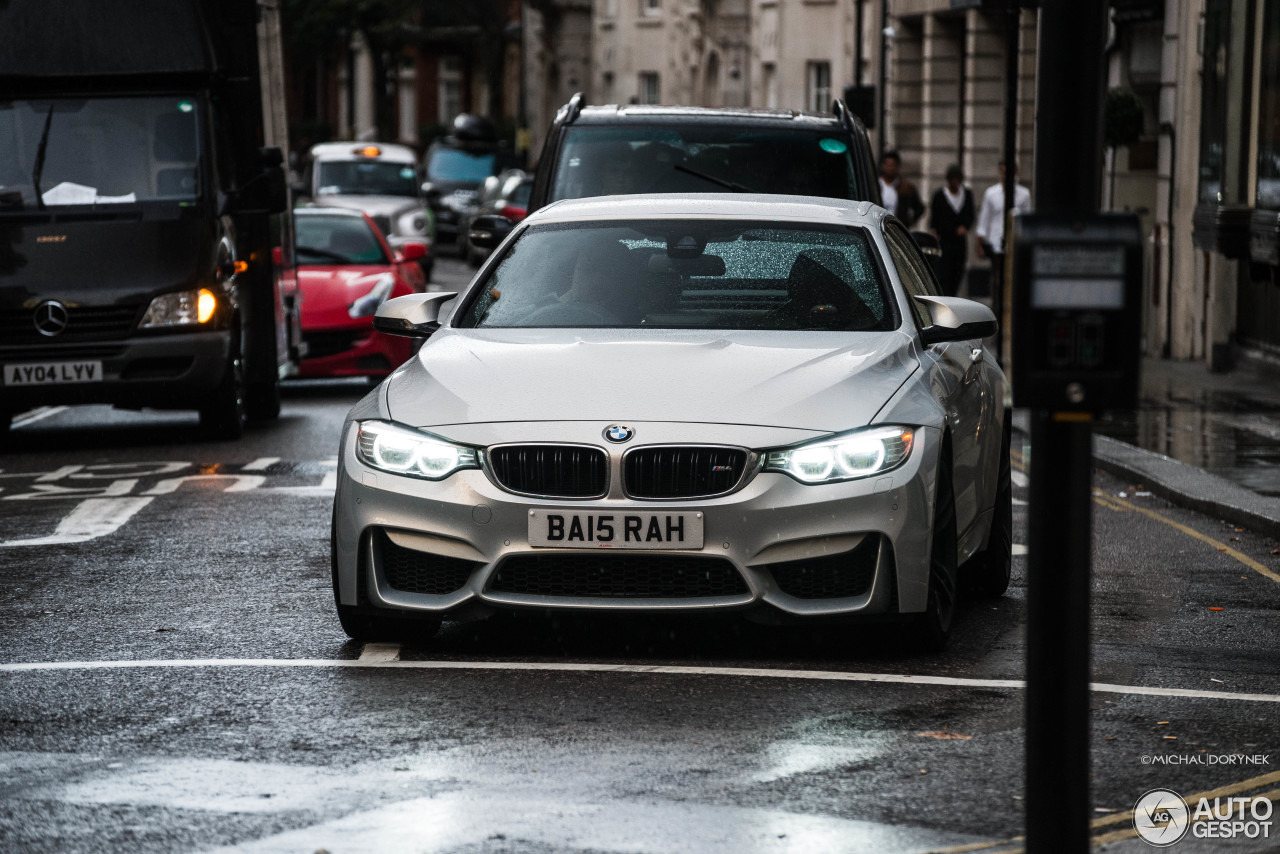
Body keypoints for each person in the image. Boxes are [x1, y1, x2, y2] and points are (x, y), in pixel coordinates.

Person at [974, 160, 1032, 304]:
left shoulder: (1024, 195)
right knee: (997, 280)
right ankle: (997, 307)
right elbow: (984, 219)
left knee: (1014, 279)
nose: (1005, 176)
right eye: (1003, 172)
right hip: (996, 243)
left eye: (1009, 173)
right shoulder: (991, 193)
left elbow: (1027, 219)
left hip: (1015, 244)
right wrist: (980, 243)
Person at [927, 164, 976, 297]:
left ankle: (953, 294)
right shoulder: (939, 196)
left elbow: (970, 215)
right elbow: (934, 217)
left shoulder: (967, 195)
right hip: (944, 241)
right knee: (944, 272)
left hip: (959, 242)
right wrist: (934, 232)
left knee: (957, 271)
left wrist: (965, 227)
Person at [879, 150, 925, 228]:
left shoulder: (906, 187)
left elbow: (919, 208)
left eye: (893, 165)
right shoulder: (877, 186)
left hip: (897, 230)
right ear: (883, 166)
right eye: (888, 165)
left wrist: (908, 221)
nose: (890, 168)